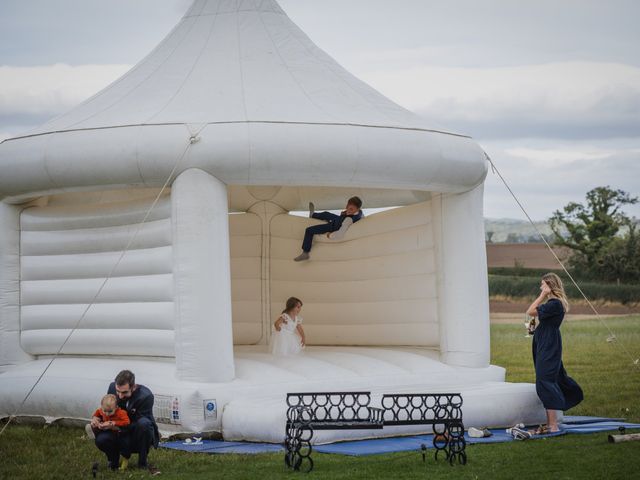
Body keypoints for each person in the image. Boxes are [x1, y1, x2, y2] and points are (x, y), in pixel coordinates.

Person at [526, 273, 583, 434]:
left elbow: (530, 311)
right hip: (545, 342)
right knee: (549, 378)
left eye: (543, 285)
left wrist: (542, 295)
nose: (540, 287)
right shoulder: (553, 304)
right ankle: (550, 423)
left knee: (545, 380)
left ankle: (553, 425)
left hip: (549, 344)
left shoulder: (555, 304)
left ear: (550, 286)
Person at [92, 369, 161, 475]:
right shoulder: (111, 387)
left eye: (124, 392)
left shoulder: (145, 396)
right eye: (117, 391)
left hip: (136, 434)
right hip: (117, 432)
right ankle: (113, 461)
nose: (120, 396)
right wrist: (97, 419)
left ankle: (142, 462)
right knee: (101, 439)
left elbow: (140, 424)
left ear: (133, 387)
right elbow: (107, 409)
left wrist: (116, 426)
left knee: (144, 424)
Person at [293, 196, 364, 261]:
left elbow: (340, 234)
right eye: (347, 206)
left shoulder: (348, 220)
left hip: (333, 226)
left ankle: (305, 253)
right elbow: (359, 215)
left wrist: (330, 235)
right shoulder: (359, 212)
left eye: (351, 209)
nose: (348, 209)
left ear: (357, 209)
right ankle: (313, 215)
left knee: (309, 230)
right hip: (338, 219)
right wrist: (345, 213)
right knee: (326, 214)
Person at [89, 394, 131, 470]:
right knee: (95, 425)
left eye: (110, 411)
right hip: (107, 431)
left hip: (118, 434)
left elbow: (127, 422)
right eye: (105, 411)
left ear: (116, 407)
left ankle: (114, 462)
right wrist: (96, 419)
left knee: (106, 441)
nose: (107, 413)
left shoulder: (121, 413)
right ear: (101, 407)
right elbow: (97, 413)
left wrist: (113, 423)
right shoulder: (101, 410)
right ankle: (94, 430)